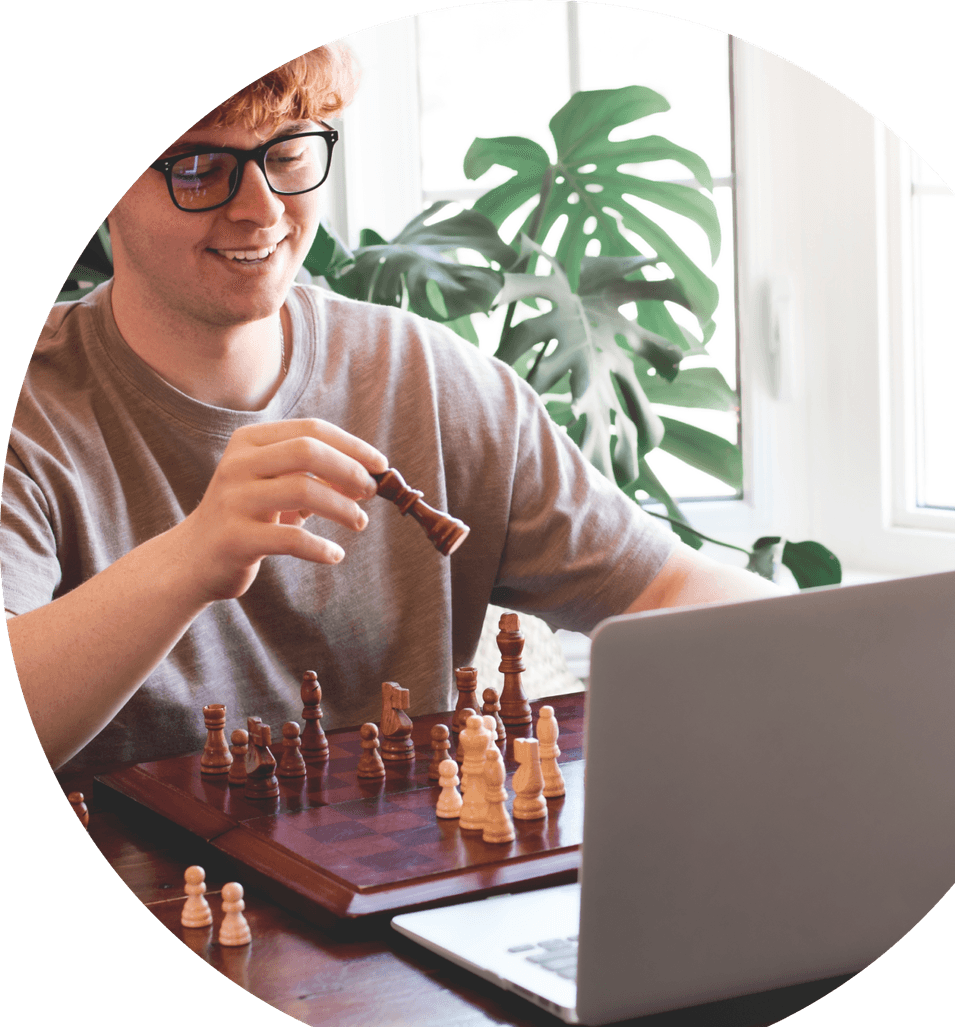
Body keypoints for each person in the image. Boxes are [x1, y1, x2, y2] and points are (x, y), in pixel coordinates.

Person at [1, 44, 776, 774]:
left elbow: (677, 590)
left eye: (289, 152)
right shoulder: (32, 412)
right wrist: (191, 556)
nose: (262, 209)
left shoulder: (429, 377)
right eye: (201, 166)